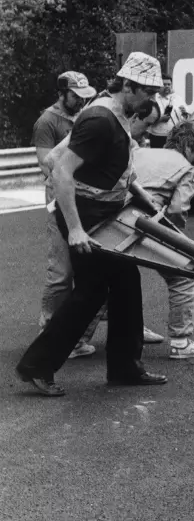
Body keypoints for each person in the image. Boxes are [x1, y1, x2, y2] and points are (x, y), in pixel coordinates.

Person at [16, 52, 168, 396]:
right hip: (85, 215)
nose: (151, 100)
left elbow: (116, 167)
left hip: (102, 212)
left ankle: (125, 367)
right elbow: (61, 171)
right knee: (90, 293)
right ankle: (37, 366)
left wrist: (141, 195)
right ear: (127, 85)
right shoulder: (100, 119)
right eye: (147, 92)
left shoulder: (118, 115)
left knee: (126, 282)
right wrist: (75, 230)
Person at [34, 71, 100, 360]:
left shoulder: (86, 114)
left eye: (85, 95)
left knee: (96, 266)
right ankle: (47, 332)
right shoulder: (47, 122)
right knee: (62, 272)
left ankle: (79, 334)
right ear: (62, 94)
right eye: (76, 95)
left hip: (87, 198)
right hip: (59, 199)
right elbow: (48, 167)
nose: (82, 100)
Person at [133, 121, 194, 358]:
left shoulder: (140, 152)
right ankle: (181, 341)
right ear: (189, 146)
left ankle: (78, 341)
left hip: (115, 219)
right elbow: (177, 212)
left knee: (111, 279)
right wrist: (178, 243)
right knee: (183, 277)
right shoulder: (186, 168)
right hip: (146, 224)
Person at [146, 73, 189, 149]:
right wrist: (160, 119)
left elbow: (186, 117)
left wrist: (185, 114)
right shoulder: (152, 99)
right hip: (157, 137)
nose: (167, 86)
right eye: (164, 84)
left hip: (175, 137)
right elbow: (146, 119)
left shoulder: (177, 98)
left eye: (169, 84)